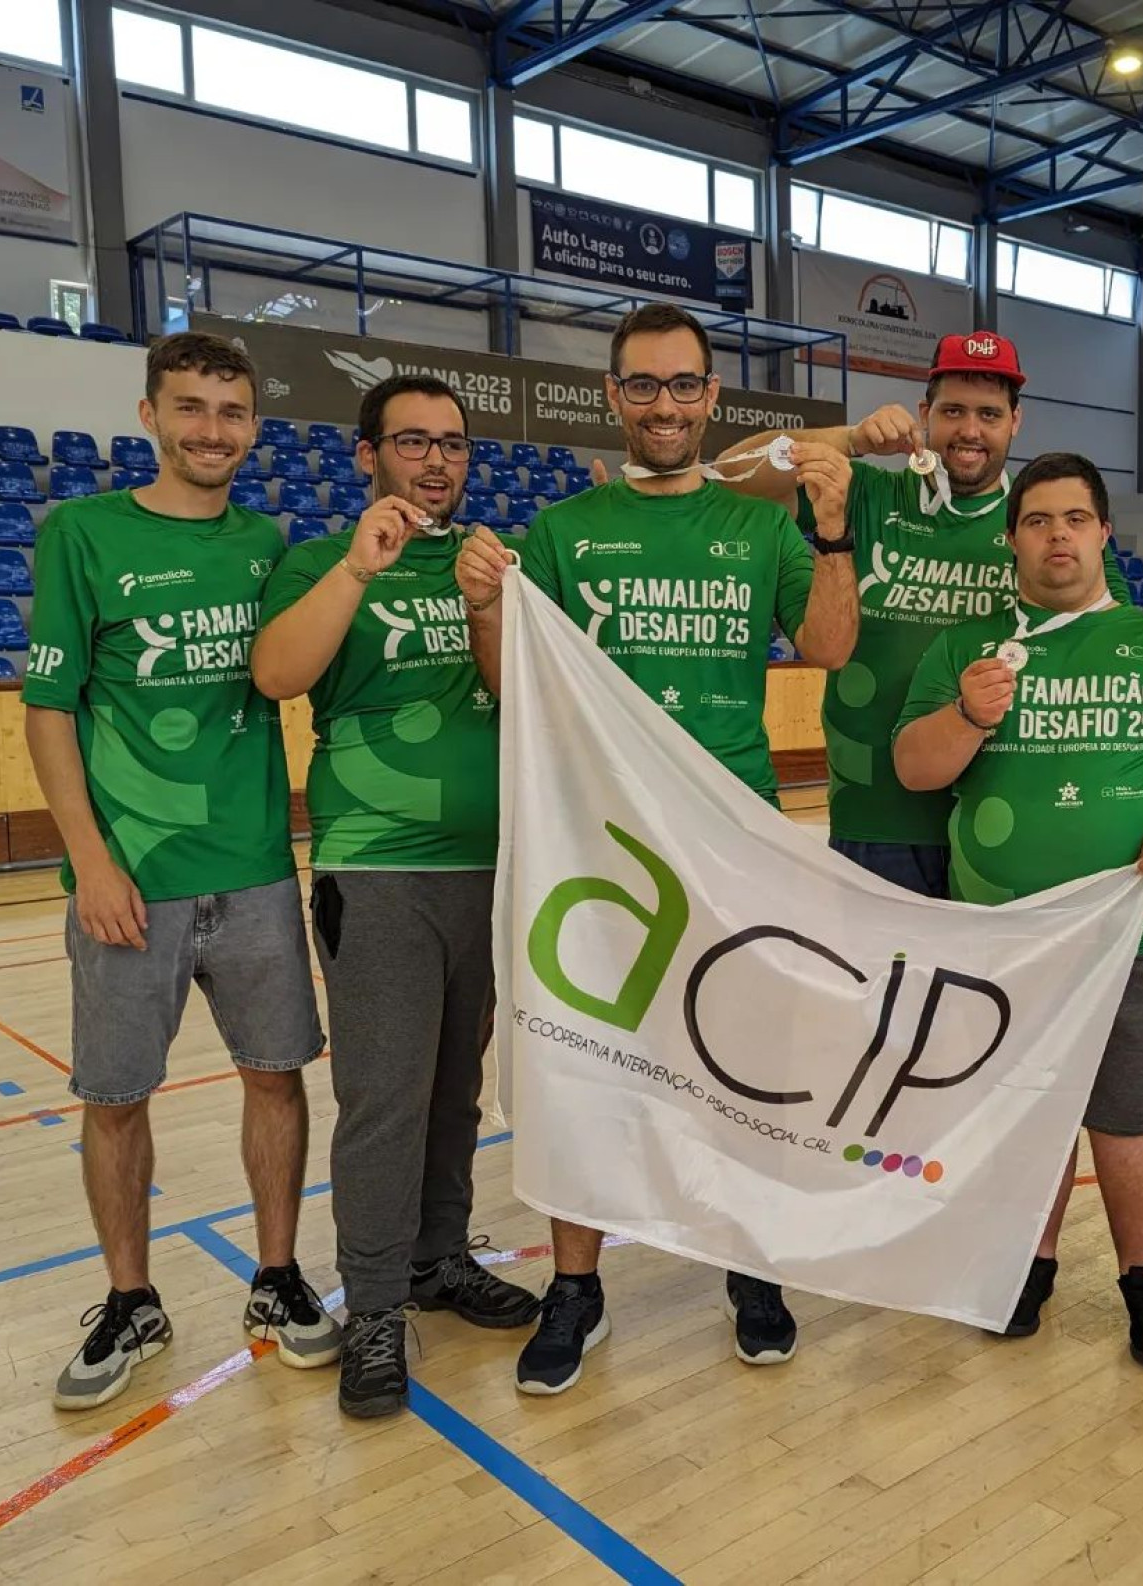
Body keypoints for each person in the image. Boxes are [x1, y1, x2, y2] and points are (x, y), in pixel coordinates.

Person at [454, 301, 860, 1395]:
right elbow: (512, 685)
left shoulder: (760, 528)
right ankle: (576, 1289)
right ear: (613, 395)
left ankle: (751, 1265)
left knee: (744, 1061)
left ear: (711, 397)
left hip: (734, 835)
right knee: (584, 1062)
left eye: (684, 385)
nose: (665, 404)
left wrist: (830, 530)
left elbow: (828, 647)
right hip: (597, 836)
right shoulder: (561, 531)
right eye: (643, 384)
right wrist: (485, 610)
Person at [24, 332, 337, 1410]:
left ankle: (278, 1277)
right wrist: (90, 862)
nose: (212, 429)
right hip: (130, 880)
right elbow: (49, 709)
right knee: (116, 1096)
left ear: (254, 426)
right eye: (191, 407)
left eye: (231, 411)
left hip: (253, 870)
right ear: (149, 415)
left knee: (276, 1076)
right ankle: (131, 1298)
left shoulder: (269, 545)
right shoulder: (83, 533)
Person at [892, 452, 1143, 1365]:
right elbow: (915, 769)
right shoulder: (963, 650)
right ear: (1012, 539)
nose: (1059, 535)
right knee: (1023, 1111)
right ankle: (1030, 1259)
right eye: (1039, 520)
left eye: (1076, 519)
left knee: (1135, 1114)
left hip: (1138, 932)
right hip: (1005, 943)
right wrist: (967, 717)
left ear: (1104, 533)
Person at [252, 375, 540, 1420]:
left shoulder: (497, 559)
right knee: (384, 1096)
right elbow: (276, 674)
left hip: (491, 867)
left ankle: (436, 1257)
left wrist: (487, 601)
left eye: (453, 444)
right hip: (376, 867)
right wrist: (354, 568)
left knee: (455, 1088)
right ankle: (373, 1304)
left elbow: (524, 696)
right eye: (412, 441)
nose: (436, 460)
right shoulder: (318, 560)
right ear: (366, 453)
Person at [719, 330, 1143, 898]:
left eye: (989, 414)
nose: (970, 430)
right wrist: (850, 439)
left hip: (1010, 819)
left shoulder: (1042, 528)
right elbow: (733, 471)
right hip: (878, 818)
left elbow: (1118, 640)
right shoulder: (867, 494)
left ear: (1015, 422)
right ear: (925, 414)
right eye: (953, 411)